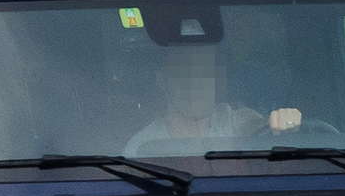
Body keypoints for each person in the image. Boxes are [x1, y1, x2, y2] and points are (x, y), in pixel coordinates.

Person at [125, 42, 299, 155]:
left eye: (206, 73)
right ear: (163, 80)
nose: (197, 83)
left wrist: (282, 122)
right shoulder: (141, 147)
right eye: (185, 72)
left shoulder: (233, 120)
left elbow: (259, 127)